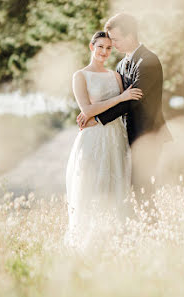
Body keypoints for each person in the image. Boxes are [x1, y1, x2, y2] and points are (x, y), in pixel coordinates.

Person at [77, 13, 172, 196]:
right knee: (127, 191)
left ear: (130, 36)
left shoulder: (148, 61)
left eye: (115, 39)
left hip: (147, 134)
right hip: (124, 136)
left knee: (143, 190)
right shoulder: (121, 65)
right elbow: (119, 97)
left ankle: (150, 225)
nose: (111, 44)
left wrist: (98, 118)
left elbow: (133, 101)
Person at [65, 31, 143, 248]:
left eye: (109, 48)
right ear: (92, 47)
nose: (104, 52)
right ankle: (89, 243)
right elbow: (87, 109)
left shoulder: (115, 76)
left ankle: (117, 242)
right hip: (93, 137)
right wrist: (121, 96)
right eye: (100, 47)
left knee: (117, 184)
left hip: (116, 135)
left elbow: (122, 109)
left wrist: (121, 100)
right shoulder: (80, 76)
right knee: (93, 185)